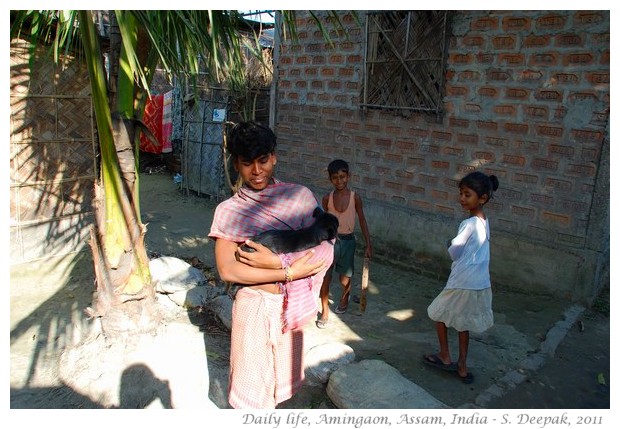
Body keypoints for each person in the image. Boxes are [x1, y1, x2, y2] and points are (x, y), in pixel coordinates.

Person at [208, 121, 334, 408]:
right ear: (236, 165)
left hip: (292, 309)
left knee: (280, 384)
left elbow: (326, 249)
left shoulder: (299, 198)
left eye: (263, 161)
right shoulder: (229, 211)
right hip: (253, 305)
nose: (257, 171)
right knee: (252, 390)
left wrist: (277, 259)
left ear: (274, 157)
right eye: (247, 163)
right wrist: (289, 270)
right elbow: (228, 270)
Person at [422, 171, 499, 384]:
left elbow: (455, 251)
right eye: (461, 194)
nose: (462, 199)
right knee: (462, 323)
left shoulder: (468, 224)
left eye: (467, 195)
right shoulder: (484, 221)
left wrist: (450, 243)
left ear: (482, 198)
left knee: (438, 314)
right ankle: (462, 366)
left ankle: (445, 355)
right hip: (479, 282)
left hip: (462, 281)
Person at [316, 159, 372, 328]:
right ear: (330, 179)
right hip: (330, 242)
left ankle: (345, 297)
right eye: (335, 178)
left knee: (344, 278)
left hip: (348, 243)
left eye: (342, 177)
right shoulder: (327, 198)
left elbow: (362, 220)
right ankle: (324, 311)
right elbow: (323, 220)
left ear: (348, 176)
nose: (339, 181)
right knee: (325, 277)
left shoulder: (356, 198)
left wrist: (368, 243)